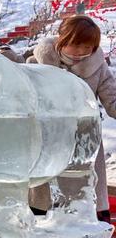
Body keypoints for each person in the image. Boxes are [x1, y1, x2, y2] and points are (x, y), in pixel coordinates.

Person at [26, 15, 114, 223]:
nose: (82, 52)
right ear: (62, 39)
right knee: (44, 206)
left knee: (84, 201)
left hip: (83, 142)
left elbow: (113, 99)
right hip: (48, 142)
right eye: (76, 45)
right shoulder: (36, 65)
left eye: (88, 47)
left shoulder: (98, 68)